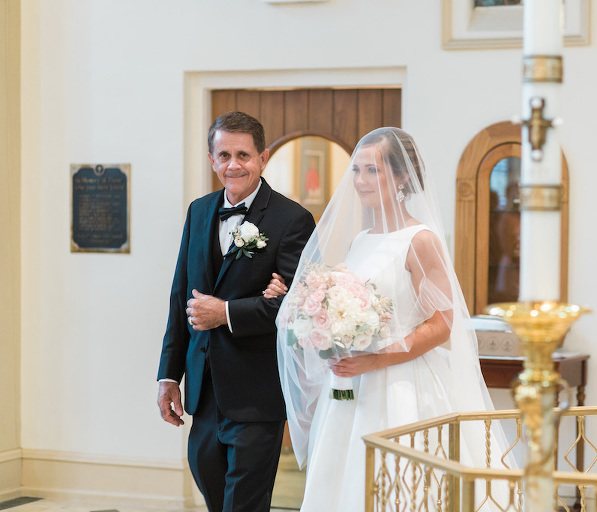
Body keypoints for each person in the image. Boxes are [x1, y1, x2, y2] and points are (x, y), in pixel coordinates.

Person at [268, 127, 513, 512]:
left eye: (372, 171)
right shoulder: (360, 239)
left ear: (400, 177)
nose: (360, 181)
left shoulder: (420, 240)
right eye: (356, 170)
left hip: (402, 383)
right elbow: (340, 307)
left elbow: (441, 324)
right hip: (349, 385)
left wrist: (377, 359)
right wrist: (314, 315)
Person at [156, 111, 315, 512]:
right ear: (212, 159)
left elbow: (296, 307)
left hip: (257, 394)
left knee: (243, 504)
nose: (233, 164)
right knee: (211, 489)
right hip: (204, 392)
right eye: (224, 154)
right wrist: (168, 375)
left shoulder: (292, 219)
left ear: (263, 158)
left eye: (243, 155)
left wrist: (225, 312)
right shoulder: (199, 211)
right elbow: (180, 299)